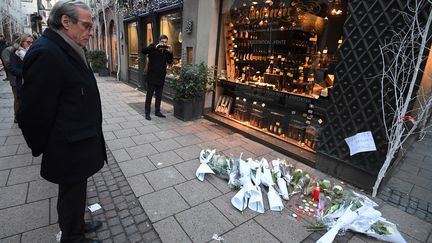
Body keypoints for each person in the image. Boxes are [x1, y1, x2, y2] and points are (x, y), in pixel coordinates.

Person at [17, 0, 106, 242]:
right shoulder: (47, 52)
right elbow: (32, 112)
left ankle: (75, 225)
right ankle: (72, 236)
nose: (91, 32)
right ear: (66, 22)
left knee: (75, 193)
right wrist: (48, 145)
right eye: (86, 26)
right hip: (68, 145)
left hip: (78, 141)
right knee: (70, 194)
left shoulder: (67, 45)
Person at [142, 34, 173, 120]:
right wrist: (155, 47)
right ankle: (147, 113)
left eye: (165, 42)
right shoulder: (153, 47)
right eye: (162, 42)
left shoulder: (166, 51)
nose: (164, 44)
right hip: (151, 77)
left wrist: (171, 52)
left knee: (159, 96)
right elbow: (143, 51)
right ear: (159, 41)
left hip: (161, 77)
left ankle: (157, 111)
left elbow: (170, 61)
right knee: (149, 96)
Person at [9, 33, 33, 115]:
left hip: (33, 83)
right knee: (21, 103)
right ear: (22, 42)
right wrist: (27, 73)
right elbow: (13, 69)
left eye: (32, 42)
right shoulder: (16, 53)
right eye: (28, 42)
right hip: (22, 83)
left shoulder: (34, 52)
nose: (30, 44)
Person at [1, 35, 21, 122]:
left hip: (21, 77)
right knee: (17, 97)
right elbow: (8, 65)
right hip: (14, 78)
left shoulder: (20, 50)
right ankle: (16, 116)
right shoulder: (7, 51)